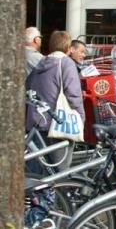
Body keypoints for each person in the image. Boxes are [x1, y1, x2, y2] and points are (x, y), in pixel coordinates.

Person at [26, 30, 84, 170]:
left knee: (40, 169)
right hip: (58, 122)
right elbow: (74, 95)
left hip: (37, 122)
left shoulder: (41, 62)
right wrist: (81, 117)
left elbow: (28, 86)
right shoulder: (66, 63)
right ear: (68, 47)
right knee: (60, 171)